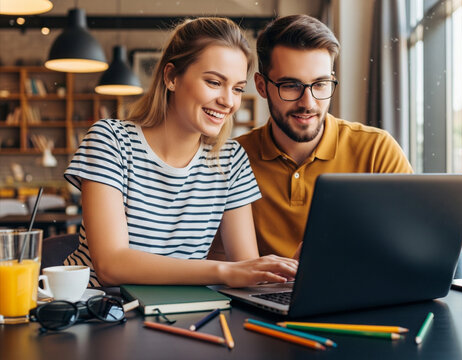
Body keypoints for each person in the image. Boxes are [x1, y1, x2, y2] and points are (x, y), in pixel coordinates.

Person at [208, 14, 462, 279]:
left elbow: (414, 248)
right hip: (263, 305)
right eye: (291, 85)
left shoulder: (376, 149)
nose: (308, 102)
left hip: (361, 298)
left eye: (320, 84)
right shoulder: (230, 160)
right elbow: (220, 265)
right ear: (262, 86)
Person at [63, 17, 297, 287]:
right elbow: (111, 266)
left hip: (177, 314)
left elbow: (245, 269)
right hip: (94, 312)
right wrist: (222, 272)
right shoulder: (111, 140)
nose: (228, 101)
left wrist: (287, 273)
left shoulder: (230, 159)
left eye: (237, 89)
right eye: (213, 82)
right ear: (171, 77)